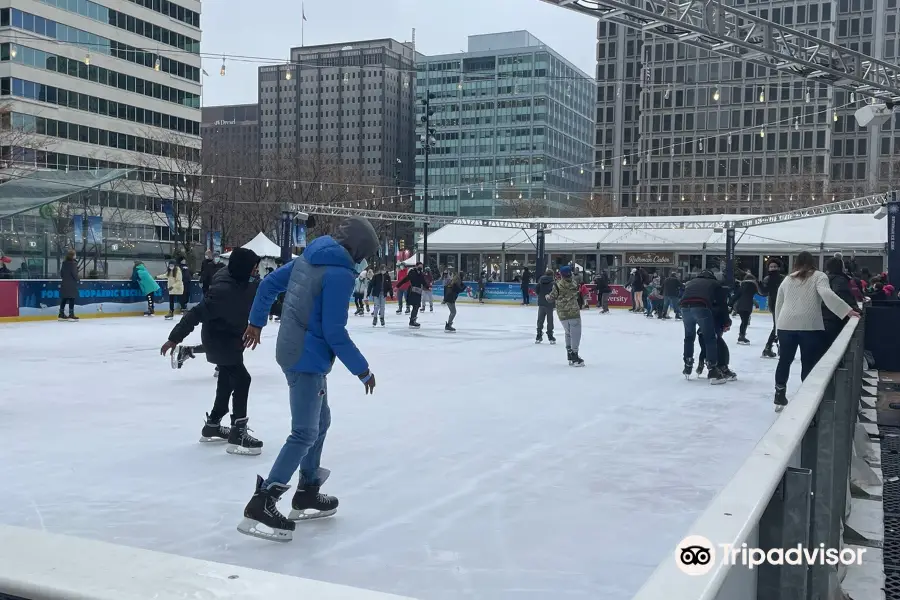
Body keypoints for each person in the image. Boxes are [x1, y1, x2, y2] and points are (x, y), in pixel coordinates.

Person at [237, 216, 378, 542]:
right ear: (357, 250)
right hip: (306, 358)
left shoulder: (311, 255)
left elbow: (269, 284)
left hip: (292, 348)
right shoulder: (340, 273)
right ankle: (264, 501)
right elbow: (333, 331)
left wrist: (257, 321)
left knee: (321, 421)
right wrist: (363, 369)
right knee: (304, 431)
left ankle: (308, 490)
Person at [161, 248, 264, 454]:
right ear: (244, 268)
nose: (256, 270)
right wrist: (174, 338)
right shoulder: (223, 291)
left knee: (227, 379)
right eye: (253, 267)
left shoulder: (245, 282)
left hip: (234, 338)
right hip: (219, 339)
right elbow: (195, 314)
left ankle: (213, 426)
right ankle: (238, 433)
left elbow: (264, 299)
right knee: (242, 379)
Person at [773, 251, 859, 410]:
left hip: (786, 325)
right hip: (810, 326)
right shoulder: (819, 276)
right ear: (813, 262)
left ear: (796, 263)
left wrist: (778, 328)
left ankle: (779, 394)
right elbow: (826, 293)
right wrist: (846, 311)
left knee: (784, 360)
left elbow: (779, 305)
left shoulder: (788, 279)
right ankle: (806, 400)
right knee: (808, 362)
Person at [679, 269, 730, 383]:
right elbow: (722, 304)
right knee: (710, 338)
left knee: (689, 337)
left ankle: (688, 364)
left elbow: (681, 294)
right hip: (701, 306)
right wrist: (726, 321)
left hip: (684, 307)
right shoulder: (715, 284)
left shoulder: (690, 282)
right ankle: (712, 370)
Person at [546, 265, 583, 366]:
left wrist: (547, 297)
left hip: (562, 313)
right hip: (574, 312)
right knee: (575, 334)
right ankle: (575, 355)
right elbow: (577, 293)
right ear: (570, 273)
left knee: (568, 333)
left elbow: (551, 298)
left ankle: (570, 353)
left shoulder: (557, 285)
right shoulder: (575, 283)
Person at [822, 256, 859, 350]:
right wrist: (854, 309)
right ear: (841, 267)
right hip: (834, 320)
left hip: (821, 319)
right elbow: (842, 295)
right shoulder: (840, 280)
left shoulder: (822, 280)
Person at [759, 261, 784, 358]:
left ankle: (771, 348)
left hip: (784, 303)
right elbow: (764, 292)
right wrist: (760, 286)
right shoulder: (767, 278)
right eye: (771, 266)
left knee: (781, 327)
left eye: (775, 266)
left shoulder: (783, 278)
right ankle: (769, 348)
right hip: (774, 304)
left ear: (778, 268)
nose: (773, 268)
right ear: (768, 268)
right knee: (777, 327)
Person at [396, 261, 426, 328]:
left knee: (417, 306)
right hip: (412, 291)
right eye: (419, 266)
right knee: (415, 305)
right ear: (416, 266)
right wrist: (398, 285)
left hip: (418, 292)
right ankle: (412, 321)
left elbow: (423, 282)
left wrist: (428, 286)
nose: (420, 268)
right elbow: (405, 279)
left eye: (421, 267)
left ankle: (413, 320)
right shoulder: (412, 272)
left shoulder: (421, 274)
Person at [733, 273, 759, 345]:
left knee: (743, 322)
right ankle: (741, 336)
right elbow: (759, 292)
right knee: (744, 322)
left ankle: (742, 335)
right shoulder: (753, 286)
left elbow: (737, 296)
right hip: (747, 306)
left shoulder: (742, 286)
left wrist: (730, 303)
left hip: (740, 306)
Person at [535, 268, 557, 344]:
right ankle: (550, 336)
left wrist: (541, 296)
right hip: (549, 304)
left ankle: (538, 335)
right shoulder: (553, 283)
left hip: (541, 303)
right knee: (550, 320)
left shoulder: (540, 281)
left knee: (540, 320)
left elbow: (536, 290)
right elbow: (555, 293)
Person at [58, 249, 80, 321]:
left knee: (64, 299)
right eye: (75, 254)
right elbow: (74, 274)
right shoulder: (73, 264)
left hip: (64, 283)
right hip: (71, 284)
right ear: (73, 255)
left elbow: (61, 274)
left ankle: (61, 314)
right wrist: (78, 279)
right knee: (72, 299)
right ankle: (71, 315)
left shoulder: (64, 263)